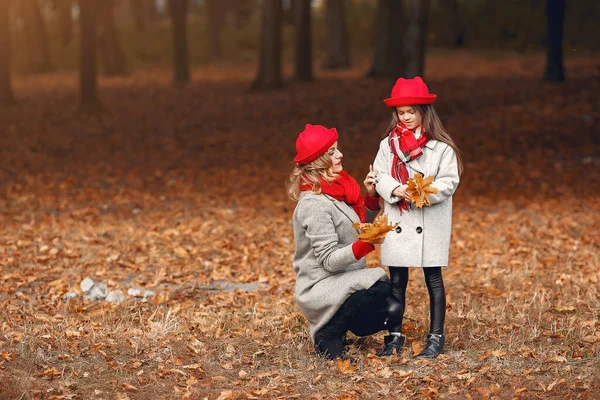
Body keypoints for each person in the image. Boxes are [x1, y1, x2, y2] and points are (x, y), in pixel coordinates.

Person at [288, 124, 402, 360]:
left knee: (385, 290)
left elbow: (355, 227)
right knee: (380, 287)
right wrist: (367, 244)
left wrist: (370, 198)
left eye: (337, 149)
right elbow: (329, 261)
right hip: (320, 285)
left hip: (343, 279)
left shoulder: (336, 190)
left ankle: (348, 324)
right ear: (318, 161)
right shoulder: (314, 204)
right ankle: (327, 332)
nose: (340, 155)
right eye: (331, 152)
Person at [371, 76, 462, 358]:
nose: (406, 117)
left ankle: (436, 338)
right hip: (399, 219)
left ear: (424, 112)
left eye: (412, 111)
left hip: (429, 220)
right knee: (397, 281)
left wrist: (423, 192)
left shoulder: (441, 148)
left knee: (433, 279)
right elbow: (378, 174)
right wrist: (396, 189)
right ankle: (394, 335)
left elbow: (450, 181)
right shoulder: (388, 145)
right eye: (401, 112)